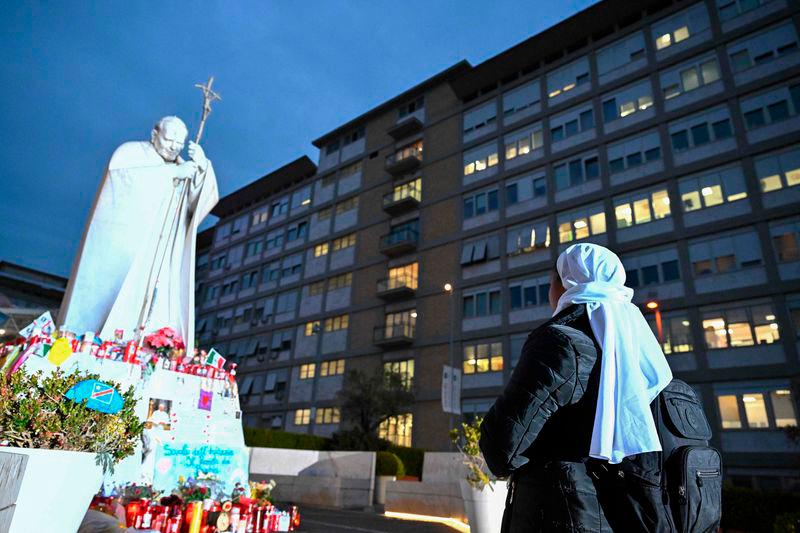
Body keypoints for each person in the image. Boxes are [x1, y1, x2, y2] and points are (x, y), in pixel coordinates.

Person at [479, 243, 674, 532]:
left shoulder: (558, 342)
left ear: (564, 284)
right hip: (627, 515)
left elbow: (501, 449)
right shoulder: (640, 348)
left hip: (560, 514)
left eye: (550, 283)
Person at [58, 116, 219, 355]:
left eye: (179, 142)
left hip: (160, 254)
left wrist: (202, 169)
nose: (174, 146)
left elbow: (197, 207)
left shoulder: (184, 167)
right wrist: (173, 174)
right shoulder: (131, 154)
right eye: (169, 138)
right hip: (127, 245)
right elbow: (123, 181)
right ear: (154, 134)